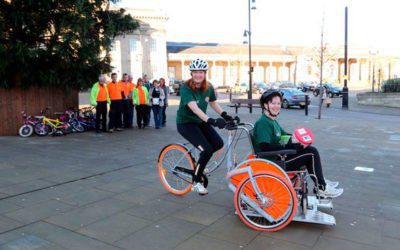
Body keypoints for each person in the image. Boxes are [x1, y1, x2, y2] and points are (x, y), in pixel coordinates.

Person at [253, 89, 343, 198]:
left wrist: (300, 141)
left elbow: (286, 135)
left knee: (308, 150)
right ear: (265, 105)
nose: (276, 106)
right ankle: (321, 187)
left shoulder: (272, 121)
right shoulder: (263, 123)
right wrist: (289, 146)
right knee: (311, 153)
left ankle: (321, 182)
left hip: (279, 157)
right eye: (273, 103)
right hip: (273, 162)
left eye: (278, 103)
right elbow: (264, 147)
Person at [176, 58, 234, 195]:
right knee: (207, 150)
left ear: (205, 73)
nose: (198, 75)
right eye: (195, 72)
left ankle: (199, 165)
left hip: (200, 122)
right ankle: (196, 182)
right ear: (191, 73)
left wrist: (225, 115)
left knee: (218, 143)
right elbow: (195, 109)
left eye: (201, 72)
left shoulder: (208, 87)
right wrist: (212, 121)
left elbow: (213, 103)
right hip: (186, 123)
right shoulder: (186, 88)